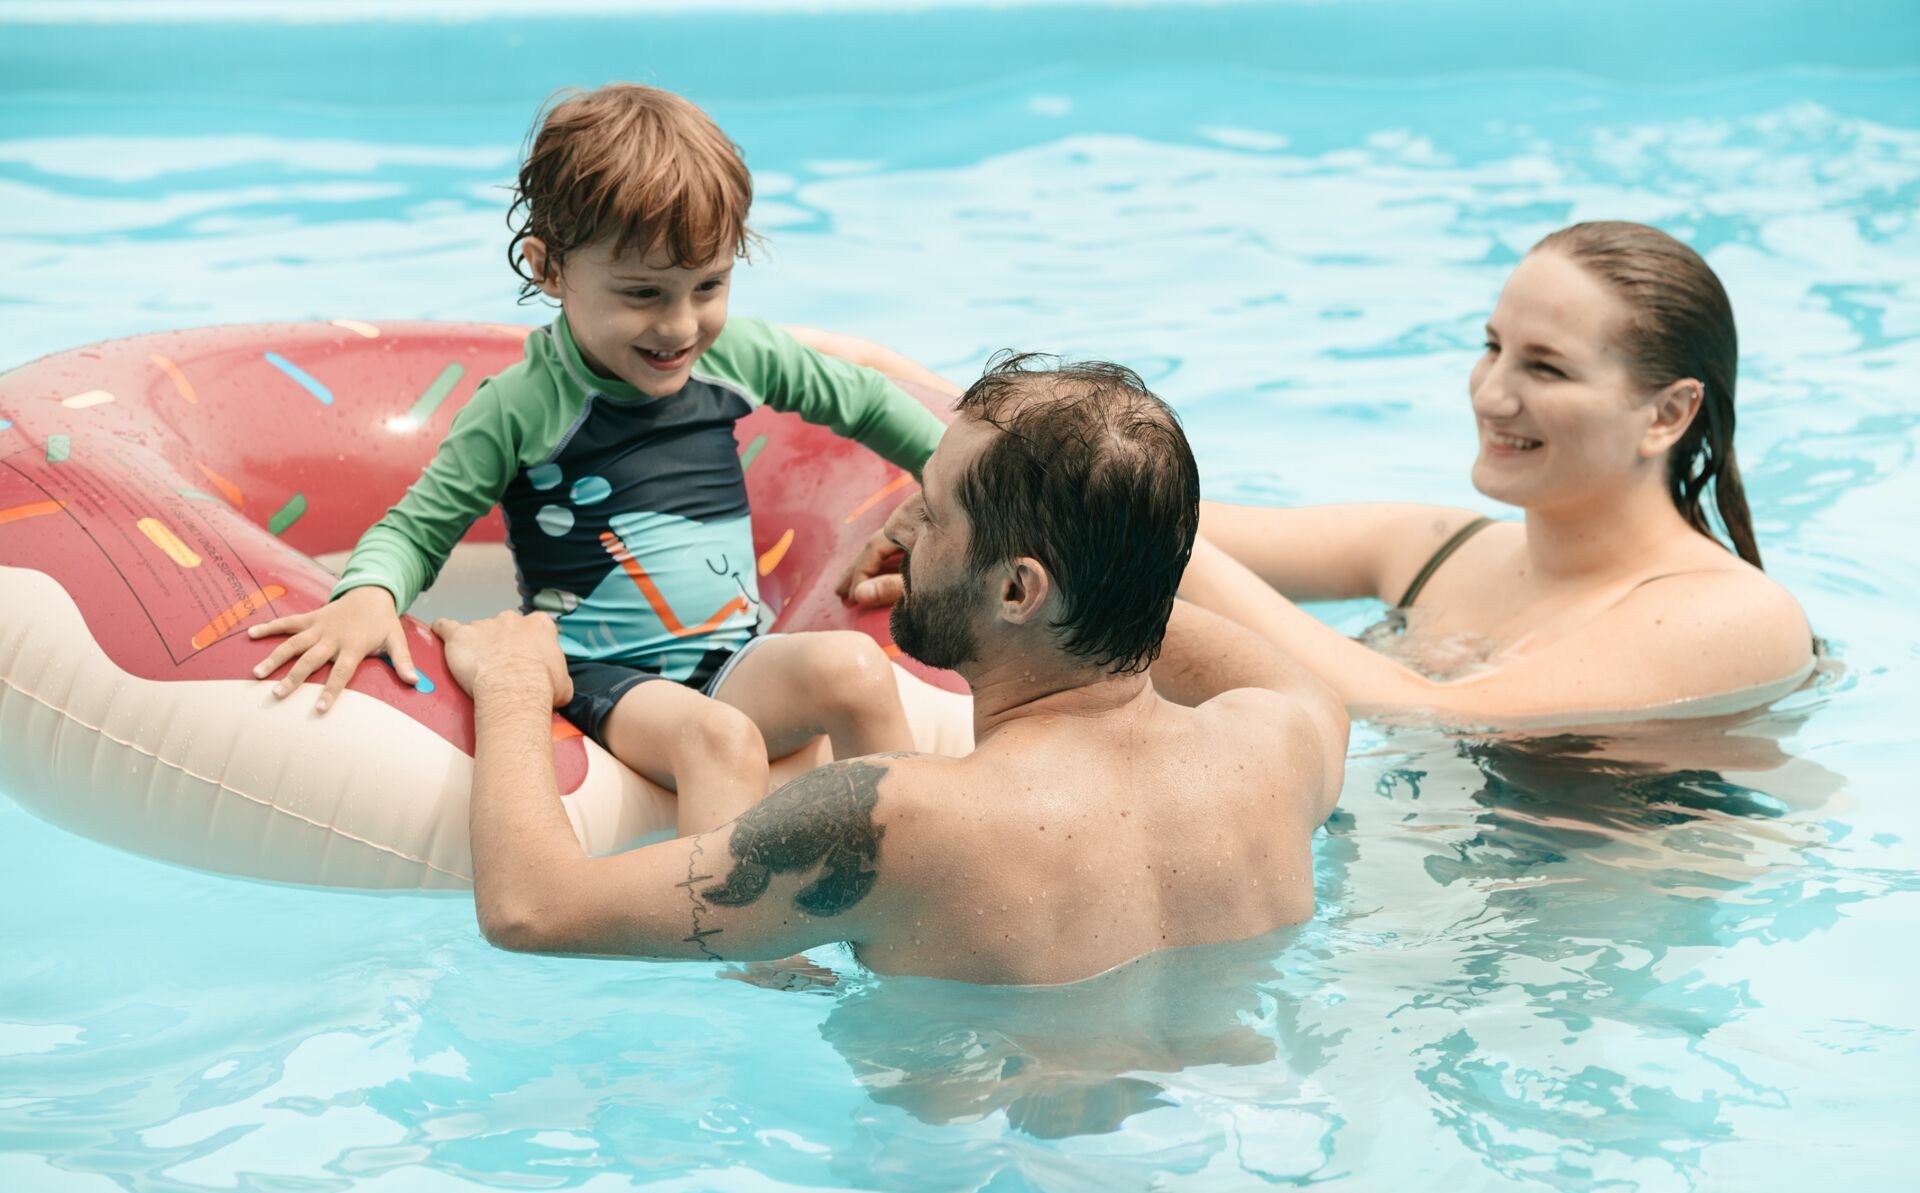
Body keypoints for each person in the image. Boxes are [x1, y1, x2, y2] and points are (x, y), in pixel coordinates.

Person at [429, 355, 1348, 985]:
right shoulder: (1279, 746)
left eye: (934, 514)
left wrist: (513, 685)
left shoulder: (895, 820)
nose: (903, 528)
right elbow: (1284, 672)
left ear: (1018, 590)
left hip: (970, 1179)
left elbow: (532, 911)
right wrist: (1102, 572)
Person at [246, 83, 946, 834]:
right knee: (719, 741)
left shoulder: (738, 356)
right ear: (549, 270)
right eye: (643, 293)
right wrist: (369, 594)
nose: (680, 326)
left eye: (708, 286)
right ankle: (727, 919)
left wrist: (960, 489)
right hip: (603, 681)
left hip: (735, 659)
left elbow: (866, 404)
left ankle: (920, 875)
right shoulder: (521, 406)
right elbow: (416, 532)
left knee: (855, 671)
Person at [840, 221, 1816, 724]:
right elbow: (1137, 499)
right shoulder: (1434, 547)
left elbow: (1437, 716)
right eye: (1492, 346)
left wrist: (1084, 552)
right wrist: (895, 396)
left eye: (1545, 368)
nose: (1492, 393)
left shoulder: (1732, 613)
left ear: (1670, 413)